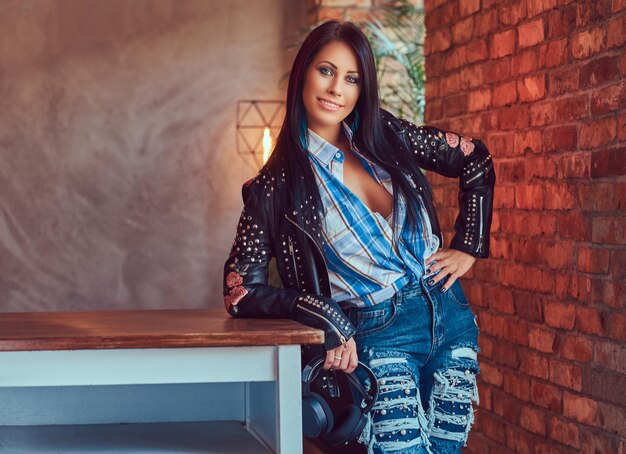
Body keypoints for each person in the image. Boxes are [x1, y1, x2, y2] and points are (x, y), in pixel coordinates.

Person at [223, 20, 495, 454]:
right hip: (378, 333)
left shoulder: (385, 135)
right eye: (326, 71)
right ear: (303, 74)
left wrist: (469, 246)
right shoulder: (273, 186)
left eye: (351, 78)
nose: (337, 89)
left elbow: (474, 158)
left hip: (451, 315)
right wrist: (324, 315)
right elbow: (240, 293)